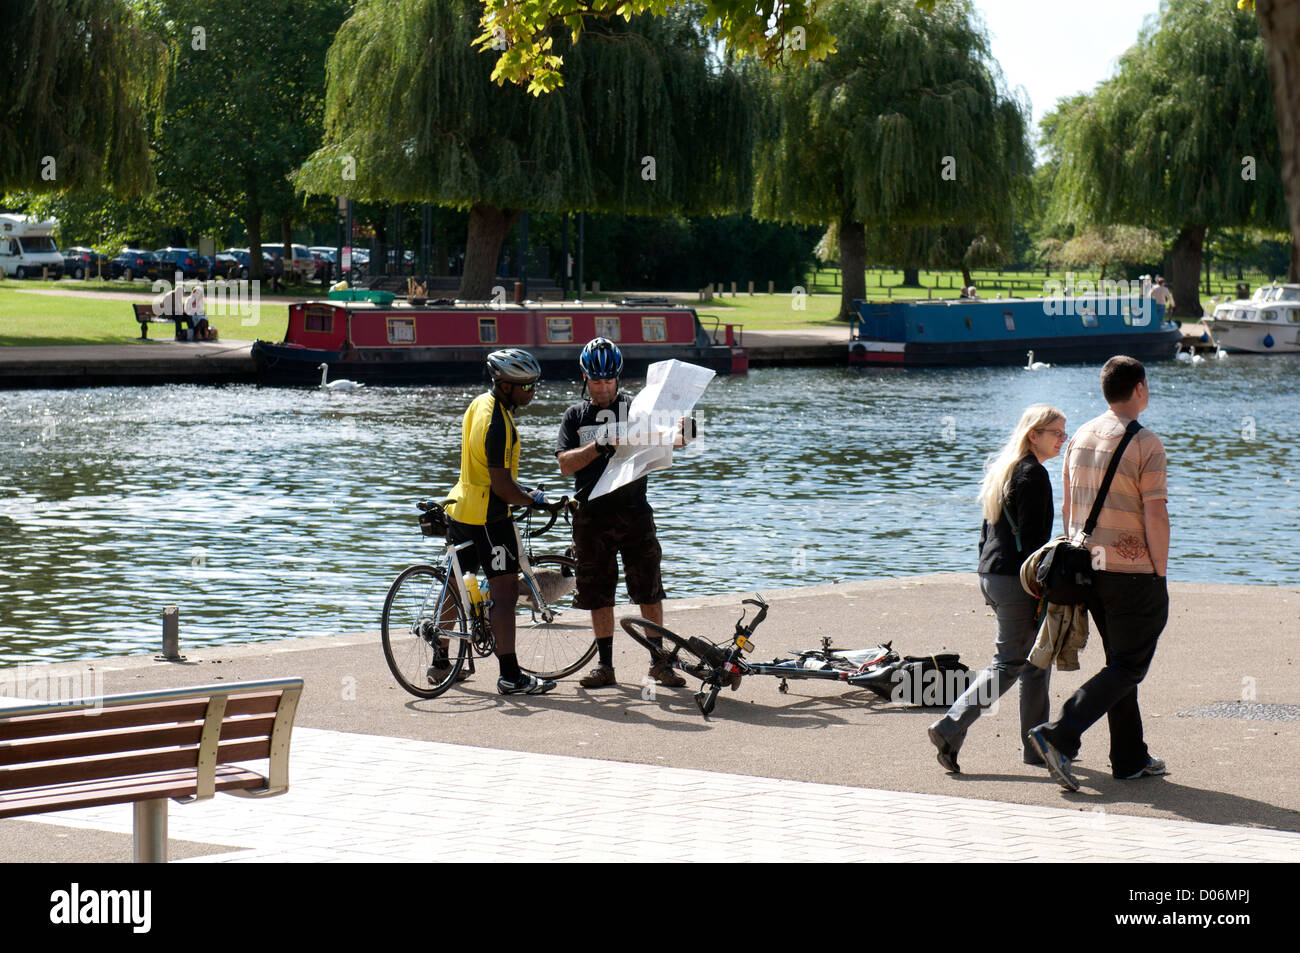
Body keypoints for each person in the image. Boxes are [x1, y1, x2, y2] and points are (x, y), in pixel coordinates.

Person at [1027, 355, 1171, 791]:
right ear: (1140, 389)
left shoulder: (1081, 437)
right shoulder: (1147, 444)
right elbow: (1156, 513)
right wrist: (1159, 573)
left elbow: (1071, 508)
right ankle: (1059, 733)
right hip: (1132, 571)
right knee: (1128, 666)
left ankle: (1129, 758)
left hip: (1087, 566)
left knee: (1118, 663)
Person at [927, 404, 1066, 773]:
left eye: (1064, 432)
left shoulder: (1003, 469)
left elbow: (986, 534)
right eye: (1056, 432)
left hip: (992, 575)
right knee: (1009, 664)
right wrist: (1044, 587)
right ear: (1033, 434)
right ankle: (949, 726)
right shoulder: (1033, 475)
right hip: (1017, 580)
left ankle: (1036, 747)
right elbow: (1036, 544)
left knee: (1036, 662)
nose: (1063, 439)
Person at [555, 338, 694, 689]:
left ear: (618, 378)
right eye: (596, 381)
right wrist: (599, 444)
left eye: (609, 381)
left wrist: (689, 429)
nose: (603, 388)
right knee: (598, 593)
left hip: (634, 513)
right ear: (585, 377)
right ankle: (605, 666)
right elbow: (564, 464)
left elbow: (676, 438)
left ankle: (659, 663)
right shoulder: (575, 416)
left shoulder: (639, 409)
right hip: (591, 516)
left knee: (649, 590)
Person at [445, 348, 557, 696]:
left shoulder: (480, 404)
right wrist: (533, 501)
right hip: (490, 518)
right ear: (507, 386)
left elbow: (486, 472)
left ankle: (439, 662)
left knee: (456, 585)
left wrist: (523, 490)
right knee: (505, 596)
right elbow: (503, 487)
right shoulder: (501, 426)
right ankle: (510, 675)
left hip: (459, 507)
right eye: (527, 386)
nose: (533, 391)